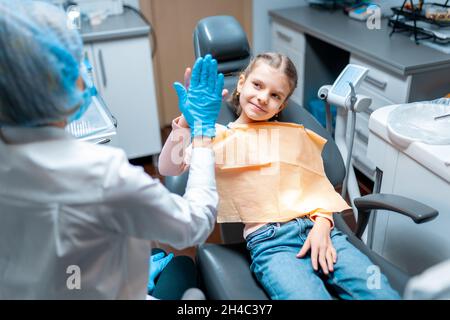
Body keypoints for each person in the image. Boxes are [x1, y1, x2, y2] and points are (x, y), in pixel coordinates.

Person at [0, 0, 223, 299]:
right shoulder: (101, 174)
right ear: (59, 80)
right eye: (77, 63)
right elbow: (193, 221)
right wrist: (199, 132)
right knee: (186, 277)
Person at [159, 52, 401, 300]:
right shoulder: (217, 136)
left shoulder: (296, 136)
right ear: (241, 83)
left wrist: (323, 225)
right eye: (257, 85)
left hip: (322, 231)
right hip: (272, 243)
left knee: (380, 291)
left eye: (275, 95)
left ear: (282, 105)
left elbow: (319, 188)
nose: (263, 98)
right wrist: (189, 124)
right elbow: (169, 168)